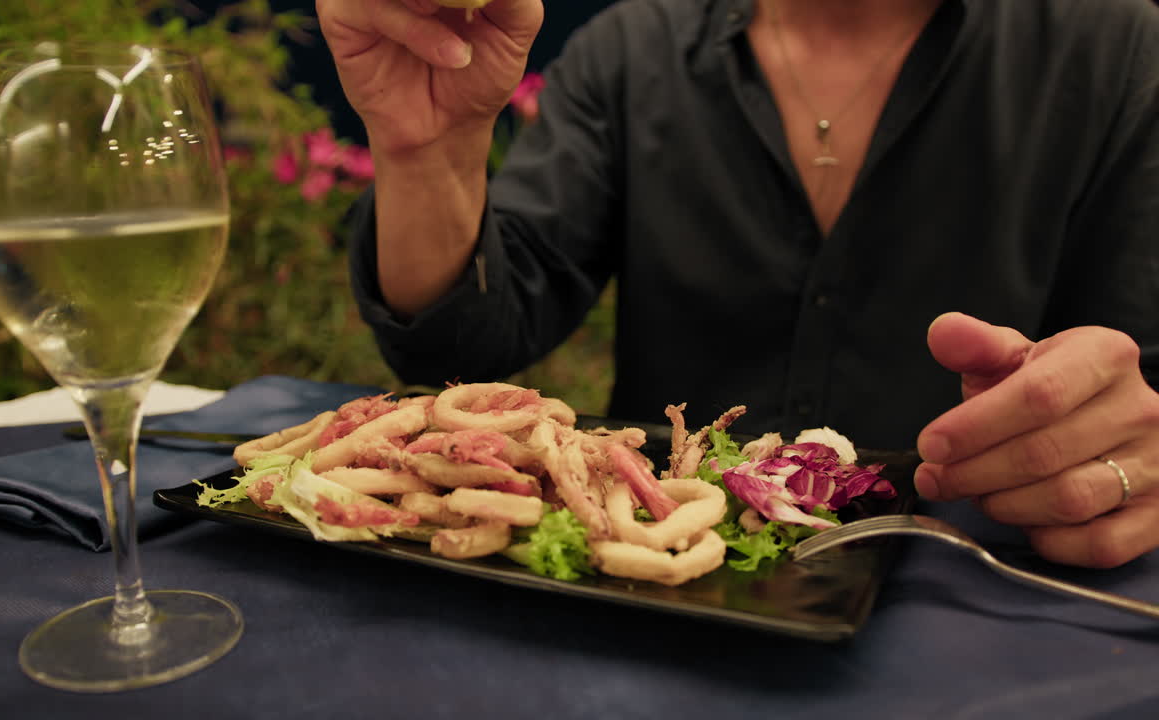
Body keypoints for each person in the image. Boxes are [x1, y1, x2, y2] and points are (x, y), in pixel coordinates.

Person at [314, 0, 1159, 568]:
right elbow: (464, 346)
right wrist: (426, 147)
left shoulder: (1115, 51)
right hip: (648, 606)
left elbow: (1138, 380)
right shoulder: (633, 50)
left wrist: (1125, 446)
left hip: (976, 599)